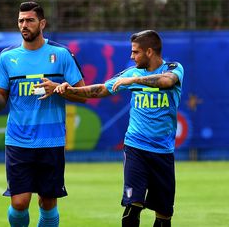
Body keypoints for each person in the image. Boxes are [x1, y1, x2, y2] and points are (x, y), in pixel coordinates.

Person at [53, 30, 183, 227]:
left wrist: (134, 81)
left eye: (135, 52)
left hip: (163, 152)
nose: (131, 56)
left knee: (163, 216)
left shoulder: (174, 69)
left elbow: (167, 81)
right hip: (135, 149)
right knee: (132, 206)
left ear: (149, 52)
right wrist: (71, 90)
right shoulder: (131, 71)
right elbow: (103, 89)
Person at [0, 1, 86, 227]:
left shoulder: (61, 54)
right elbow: (0, 104)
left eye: (29, 20)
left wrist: (60, 89)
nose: (24, 25)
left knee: (47, 202)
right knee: (19, 202)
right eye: (21, 21)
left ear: (42, 23)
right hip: (19, 140)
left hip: (52, 141)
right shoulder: (7, 57)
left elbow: (83, 94)